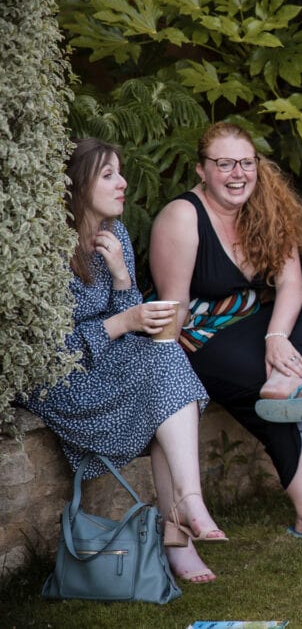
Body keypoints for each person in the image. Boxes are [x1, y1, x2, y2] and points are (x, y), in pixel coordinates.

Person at [20, 138, 225, 585]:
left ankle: (184, 518)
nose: (123, 183)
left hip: (107, 364)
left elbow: (133, 316)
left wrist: (122, 277)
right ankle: (183, 524)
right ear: (76, 183)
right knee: (165, 384)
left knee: (166, 366)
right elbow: (48, 354)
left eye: (120, 172)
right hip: (65, 383)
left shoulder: (117, 234)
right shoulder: (46, 248)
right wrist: (122, 322)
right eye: (108, 174)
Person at [149, 121, 302, 549]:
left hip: (251, 330)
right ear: (201, 170)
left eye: (246, 163)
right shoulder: (183, 216)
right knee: (267, 387)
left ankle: (284, 383)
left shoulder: (265, 212)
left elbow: (291, 286)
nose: (238, 173)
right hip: (198, 343)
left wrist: (276, 337)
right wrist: (164, 379)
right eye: (224, 163)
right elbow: (174, 310)